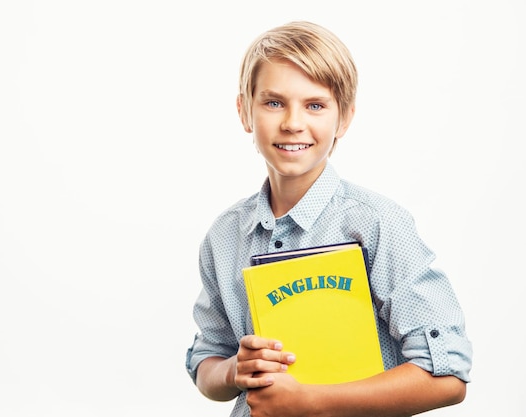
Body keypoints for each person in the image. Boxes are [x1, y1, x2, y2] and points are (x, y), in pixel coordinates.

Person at [185, 20, 472, 417]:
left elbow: (448, 376)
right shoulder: (224, 236)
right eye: (273, 102)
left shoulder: (377, 224)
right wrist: (234, 370)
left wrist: (312, 402)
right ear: (244, 111)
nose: (292, 122)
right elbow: (206, 362)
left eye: (315, 105)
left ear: (345, 118)